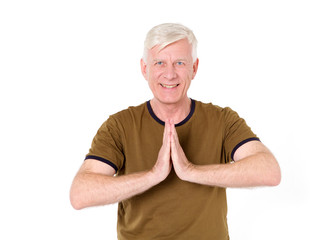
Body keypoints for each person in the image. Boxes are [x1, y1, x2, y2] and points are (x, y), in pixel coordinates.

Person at [70, 23, 281, 240]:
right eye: (159, 62)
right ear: (145, 69)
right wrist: (154, 175)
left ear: (194, 68)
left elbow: (270, 172)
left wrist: (190, 171)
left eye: (179, 62)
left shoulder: (223, 120)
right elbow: (80, 194)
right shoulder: (120, 126)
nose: (169, 74)